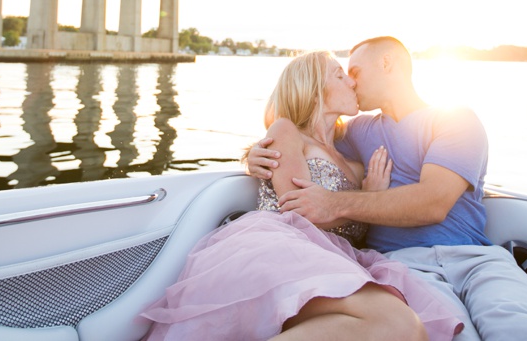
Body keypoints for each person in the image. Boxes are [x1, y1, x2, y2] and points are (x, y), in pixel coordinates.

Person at [246, 37, 527, 341]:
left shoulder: (454, 119)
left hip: (476, 258)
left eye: (356, 71)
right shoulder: (354, 133)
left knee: (524, 325)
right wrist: (257, 155)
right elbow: (306, 140)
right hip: (400, 267)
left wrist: (335, 203)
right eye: (344, 75)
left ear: (388, 64)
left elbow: (432, 203)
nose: (352, 82)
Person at [138, 51, 464, 341]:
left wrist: (366, 198)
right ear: (313, 87)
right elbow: (301, 209)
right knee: (399, 327)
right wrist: (365, 200)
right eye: (339, 74)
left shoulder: (352, 157)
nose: (351, 82)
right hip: (280, 247)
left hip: (335, 258)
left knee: (408, 328)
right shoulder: (286, 131)